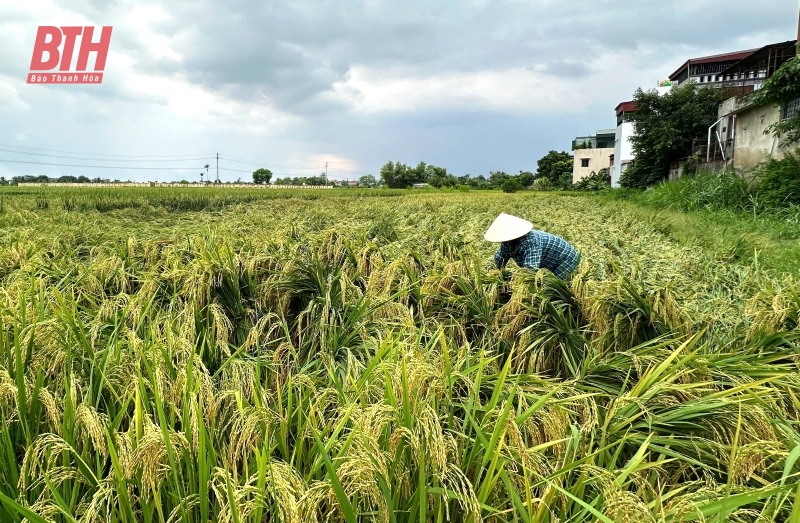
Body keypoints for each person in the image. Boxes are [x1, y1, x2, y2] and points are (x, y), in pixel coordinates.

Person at [485, 213, 579, 280]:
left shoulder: (531, 242)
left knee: (554, 288)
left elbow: (530, 271)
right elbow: (499, 258)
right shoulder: (506, 242)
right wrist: (491, 271)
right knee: (542, 282)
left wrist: (510, 277)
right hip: (547, 261)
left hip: (566, 259)